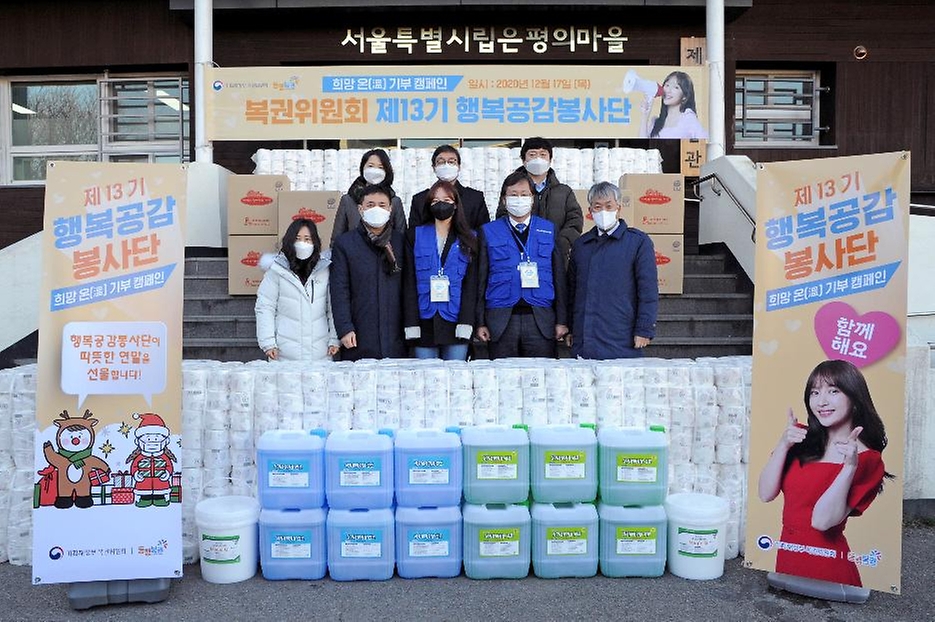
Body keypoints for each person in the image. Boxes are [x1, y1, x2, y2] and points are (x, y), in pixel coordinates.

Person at [757, 359, 892, 587]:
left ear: (854, 398)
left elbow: (821, 521)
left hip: (828, 567)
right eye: (815, 392)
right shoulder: (801, 438)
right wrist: (782, 445)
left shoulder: (867, 459)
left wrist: (849, 468)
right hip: (788, 556)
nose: (822, 402)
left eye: (833, 391)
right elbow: (765, 493)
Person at [476, 170, 568, 359]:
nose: (519, 199)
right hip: (500, 320)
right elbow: (480, 279)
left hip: (541, 319)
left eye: (524, 194)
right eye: (513, 195)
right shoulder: (488, 231)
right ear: (504, 200)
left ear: (532, 199)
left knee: (541, 374)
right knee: (503, 375)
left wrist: (562, 320)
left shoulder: (549, 229)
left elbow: (559, 278)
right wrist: (480, 322)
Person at [566, 181, 658, 359]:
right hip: (585, 336)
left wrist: (644, 329)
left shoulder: (637, 242)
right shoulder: (581, 245)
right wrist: (570, 326)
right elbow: (572, 291)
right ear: (590, 211)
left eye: (609, 206)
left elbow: (648, 290)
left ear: (619, 208)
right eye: (597, 207)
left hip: (621, 335)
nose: (603, 211)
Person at [403, 180, 479, 361]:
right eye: (435, 201)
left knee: (456, 375)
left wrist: (466, 321)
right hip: (424, 320)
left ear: (456, 204)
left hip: (456, 320)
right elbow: (408, 282)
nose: (441, 205)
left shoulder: (470, 238)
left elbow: (471, 285)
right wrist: (411, 322)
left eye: (446, 200)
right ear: (429, 205)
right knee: (426, 376)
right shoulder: (414, 235)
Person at [330, 184, 406, 361]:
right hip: (359, 333)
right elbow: (339, 289)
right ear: (360, 209)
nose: (376, 209)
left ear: (390, 209)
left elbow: (409, 287)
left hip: (396, 333)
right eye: (370, 205)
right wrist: (345, 328)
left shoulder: (400, 242)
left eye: (382, 205)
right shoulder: (345, 244)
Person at [255, 218, 339, 361]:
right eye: (297, 239)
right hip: (284, 354)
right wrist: (268, 343)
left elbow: (333, 308)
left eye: (307, 239)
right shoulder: (276, 270)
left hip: (320, 353)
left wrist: (334, 339)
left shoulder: (324, 270)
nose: (302, 243)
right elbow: (265, 307)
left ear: (315, 242)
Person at [496, 137, 582, 263]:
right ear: (523, 160)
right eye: (532, 154)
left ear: (550, 160)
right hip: (519, 255)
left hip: (555, 257)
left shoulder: (564, 192)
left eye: (543, 155)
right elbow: (502, 216)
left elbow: (575, 221)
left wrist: (560, 244)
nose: (538, 159)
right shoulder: (512, 188)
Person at [330, 148, 407, 246]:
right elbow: (337, 238)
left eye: (380, 167)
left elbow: (402, 237)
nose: (375, 170)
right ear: (363, 168)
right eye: (370, 166)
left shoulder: (395, 201)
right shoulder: (348, 200)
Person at [408, 144, 490, 231]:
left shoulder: (475, 198)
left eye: (451, 162)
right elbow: (413, 235)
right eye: (441, 162)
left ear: (459, 167)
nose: (446, 165)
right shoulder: (420, 200)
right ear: (434, 168)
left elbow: (485, 233)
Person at [641, 71, 708, 140]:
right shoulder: (656, 122)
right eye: (667, 85)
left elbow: (705, 141)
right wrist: (645, 116)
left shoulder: (688, 118)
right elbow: (642, 144)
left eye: (676, 87)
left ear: (684, 97)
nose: (668, 90)